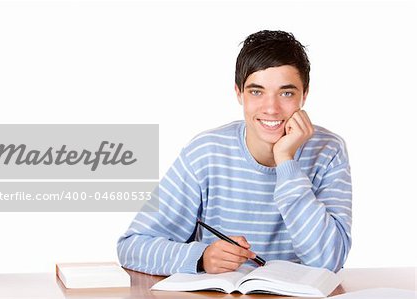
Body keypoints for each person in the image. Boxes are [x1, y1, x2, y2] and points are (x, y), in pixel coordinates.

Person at [117, 30, 352, 275]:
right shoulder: (206, 152)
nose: (271, 108)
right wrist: (202, 257)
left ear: (304, 95)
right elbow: (133, 246)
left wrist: (286, 161)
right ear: (239, 93)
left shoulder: (328, 150)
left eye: (286, 93)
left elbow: (329, 260)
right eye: (256, 91)